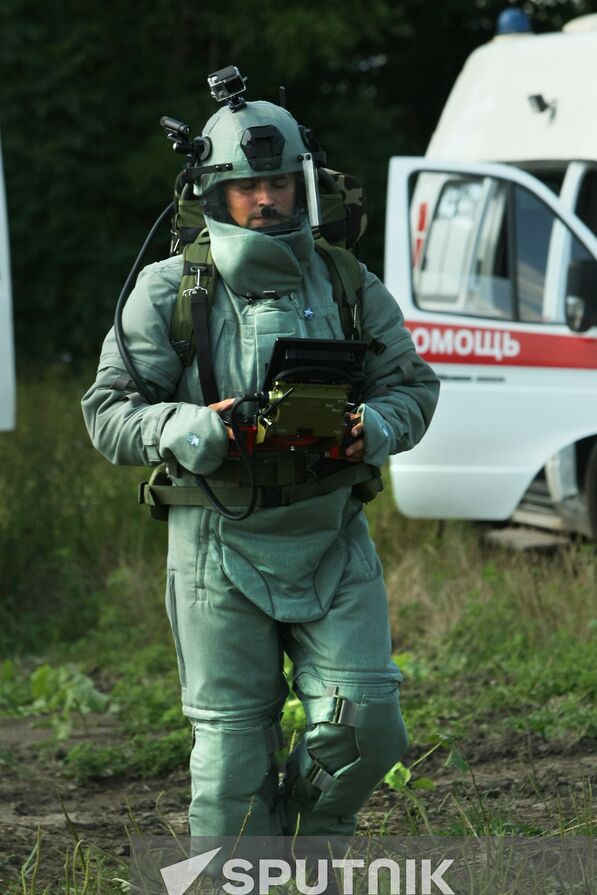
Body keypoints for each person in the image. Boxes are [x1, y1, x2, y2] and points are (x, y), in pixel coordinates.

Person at [82, 95, 439, 847]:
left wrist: (370, 428)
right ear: (213, 194)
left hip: (333, 536)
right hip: (216, 541)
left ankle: (310, 861)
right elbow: (107, 414)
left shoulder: (346, 282)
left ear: (305, 184)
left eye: (281, 184)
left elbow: (413, 387)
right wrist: (193, 426)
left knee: (368, 727)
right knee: (232, 754)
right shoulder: (170, 291)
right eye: (248, 187)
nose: (268, 200)